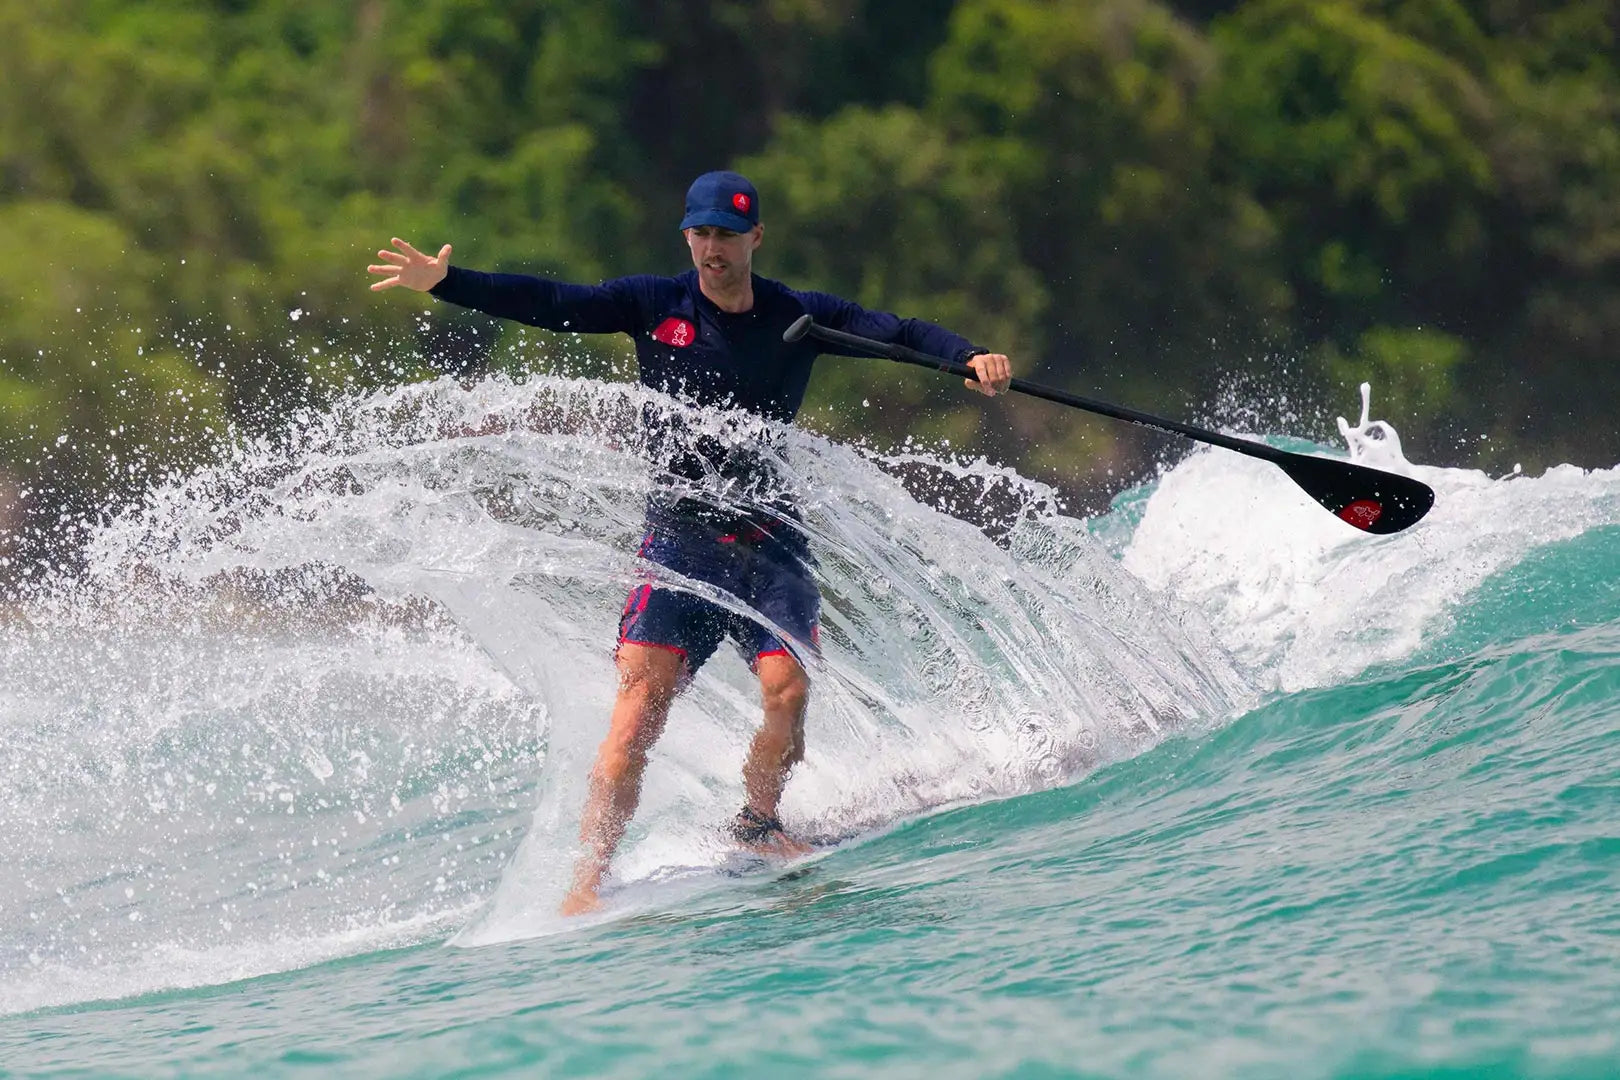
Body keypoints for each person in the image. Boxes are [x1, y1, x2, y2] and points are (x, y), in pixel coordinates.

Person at [368, 170, 1012, 914]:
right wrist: (448, 282)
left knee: (788, 691)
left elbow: (896, 332)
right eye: (702, 234)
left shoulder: (798, 317)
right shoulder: (653, 304)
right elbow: (552, 304)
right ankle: (587, 882)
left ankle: (758, 824)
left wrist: (971, 357)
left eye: (728, 236)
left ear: (755, 239)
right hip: (679, 544)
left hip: (771, 541)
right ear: (687, 237)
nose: (713, 249)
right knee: (639, 710)